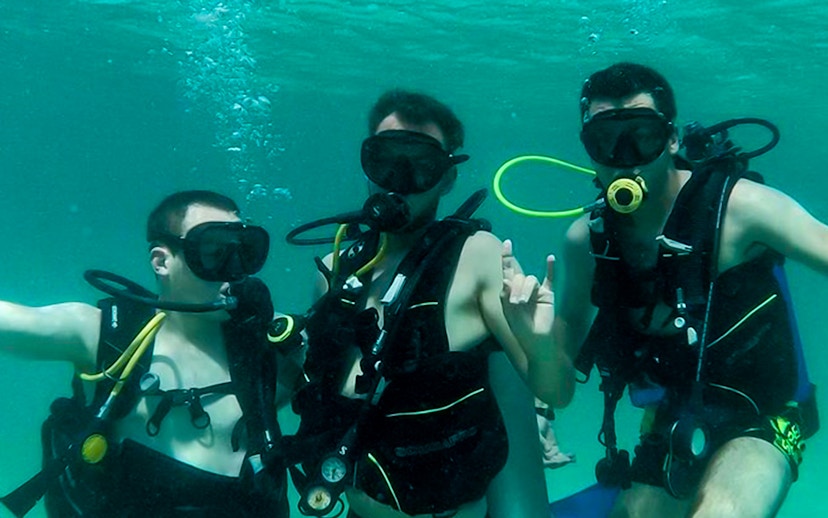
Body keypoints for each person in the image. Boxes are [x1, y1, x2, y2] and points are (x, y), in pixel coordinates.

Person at [550, 62, 827, 517]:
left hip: (769, 418)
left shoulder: (740, 208)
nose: (625, 155)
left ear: (672, 139)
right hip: (674, 421)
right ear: (587, 147)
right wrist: (541, 408)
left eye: (642, 134)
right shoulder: (589, 242)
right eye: (605, 139)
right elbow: (559, 357)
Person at [283, 90, 559, 518]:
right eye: (384, 160)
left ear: (447, 178)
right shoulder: (334, 271)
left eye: (421, 165)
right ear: (366, 164)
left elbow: (554, 390)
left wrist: (540, 341)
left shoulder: (477, 256)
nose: (398, 178)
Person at [0, 190, 302, 517]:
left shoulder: (267, 351)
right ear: (162, 262)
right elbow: (16, 323)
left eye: (244, 253)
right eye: (213, 252)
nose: (234, 271)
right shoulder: (110, 337)